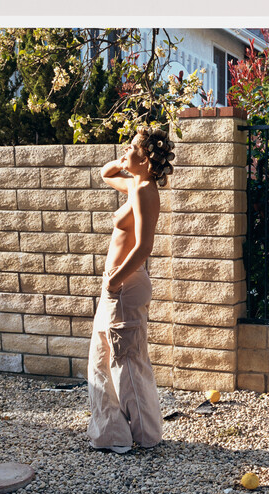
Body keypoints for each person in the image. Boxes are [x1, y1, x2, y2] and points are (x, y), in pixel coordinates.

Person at [86, 126, 175, 453]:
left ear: (147, 160)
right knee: (104, 359)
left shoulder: (144, 191)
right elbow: (106, 173)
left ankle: (144, 436)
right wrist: (126, 160)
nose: (125, 151)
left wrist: (114, 281)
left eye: (132, 148)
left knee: (126, 363)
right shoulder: (136, 184)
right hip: (118, 284)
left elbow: (144, 247)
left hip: (124, 284)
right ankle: (116, 434)